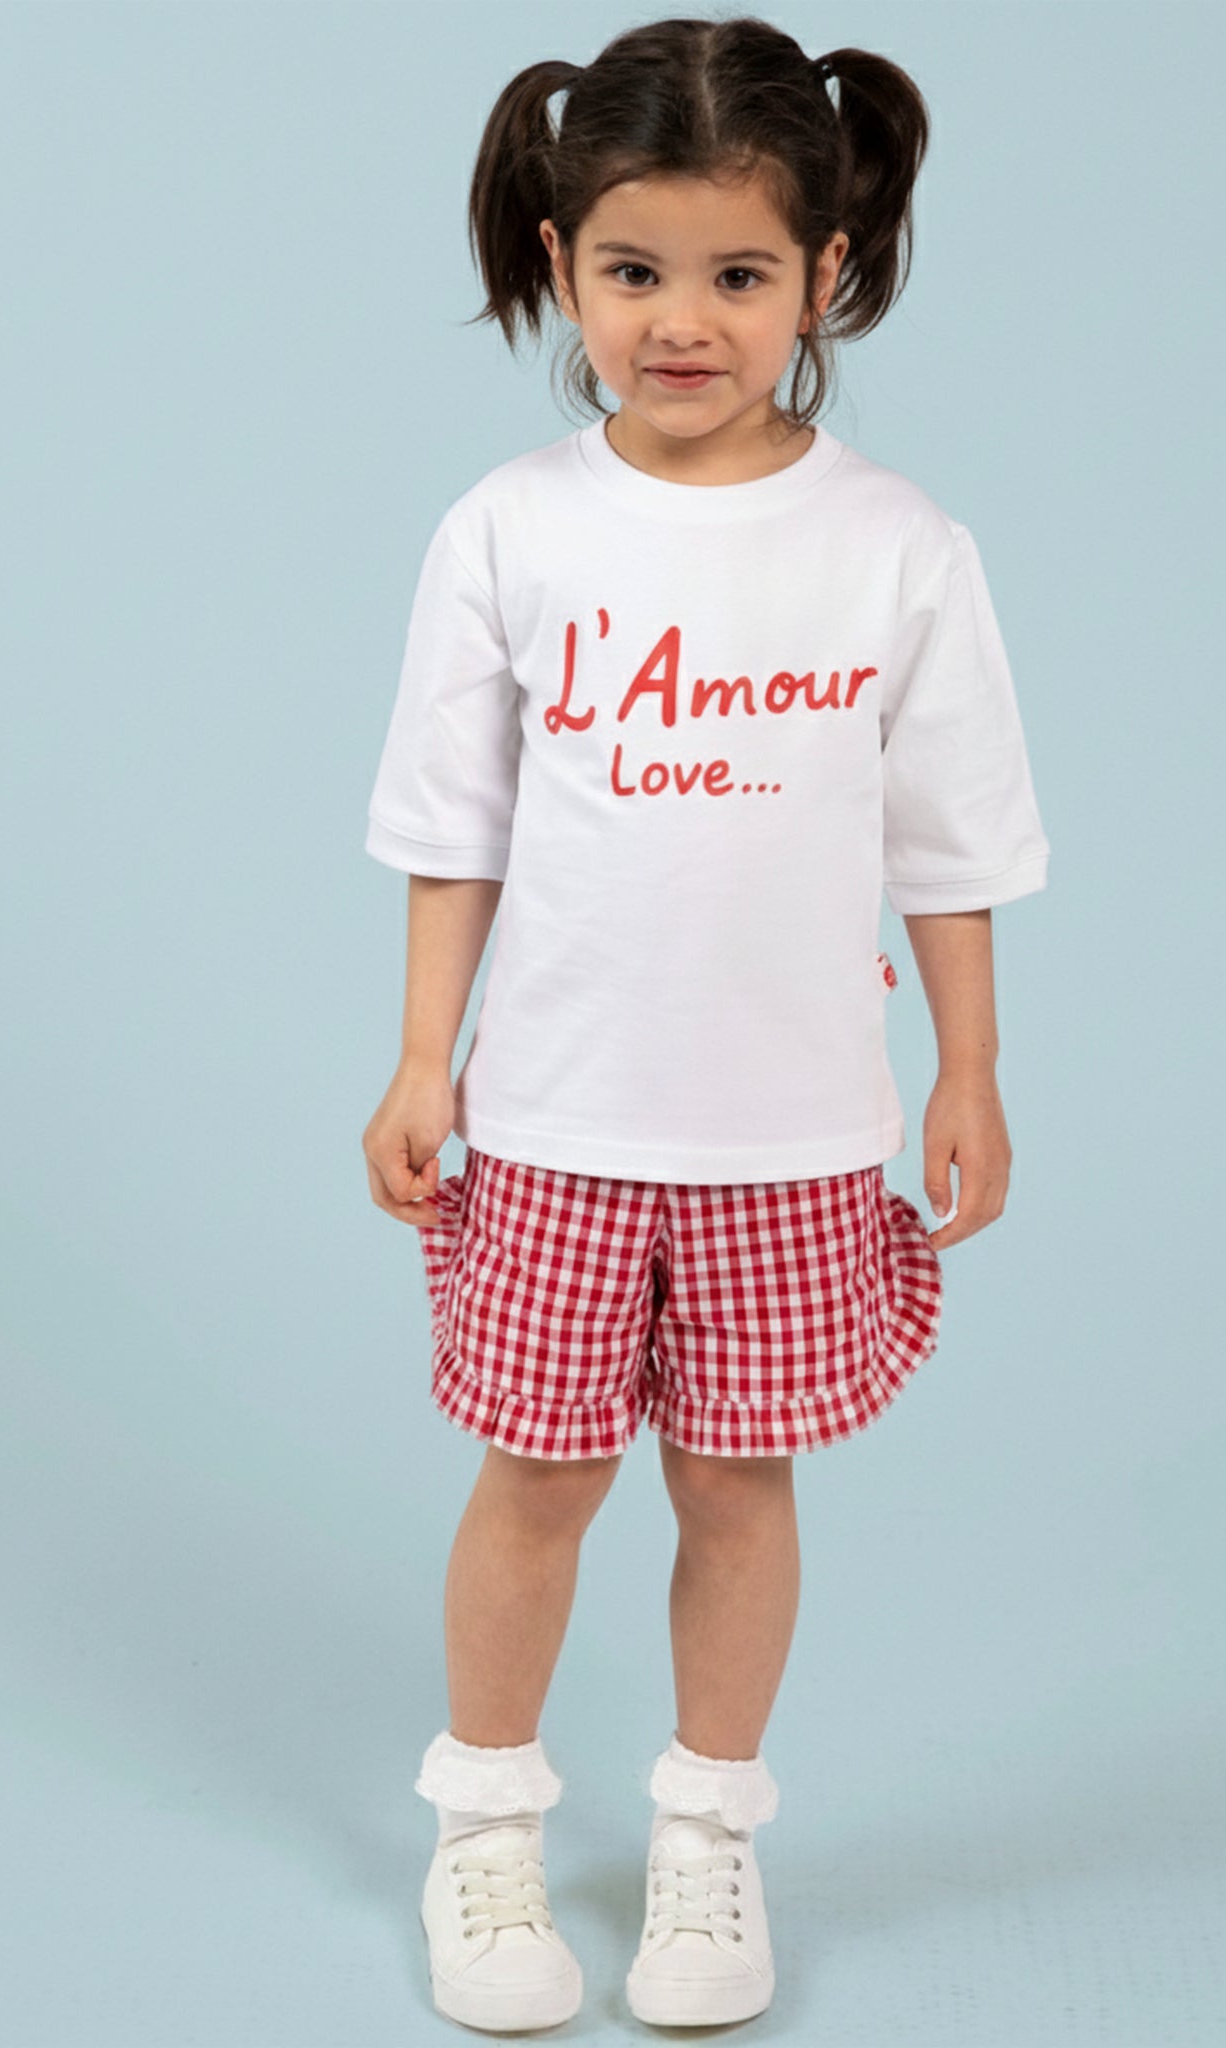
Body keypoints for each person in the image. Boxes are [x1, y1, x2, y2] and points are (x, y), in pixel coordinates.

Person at [361, 14, 1051, 2032]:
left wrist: (975, 1068)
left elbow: (949, 840)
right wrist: (425, 1054)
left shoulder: (898, 550)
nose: (684, 320)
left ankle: (709, 1836)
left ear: (823, 276)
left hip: (795, 1131)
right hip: (565, 1119)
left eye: (739, 274)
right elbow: (452, 825)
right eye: (635, 270)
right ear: (563, 259)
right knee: (537, 1475)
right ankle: (484, 1819)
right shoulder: (511, 530)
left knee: (741, 1486)